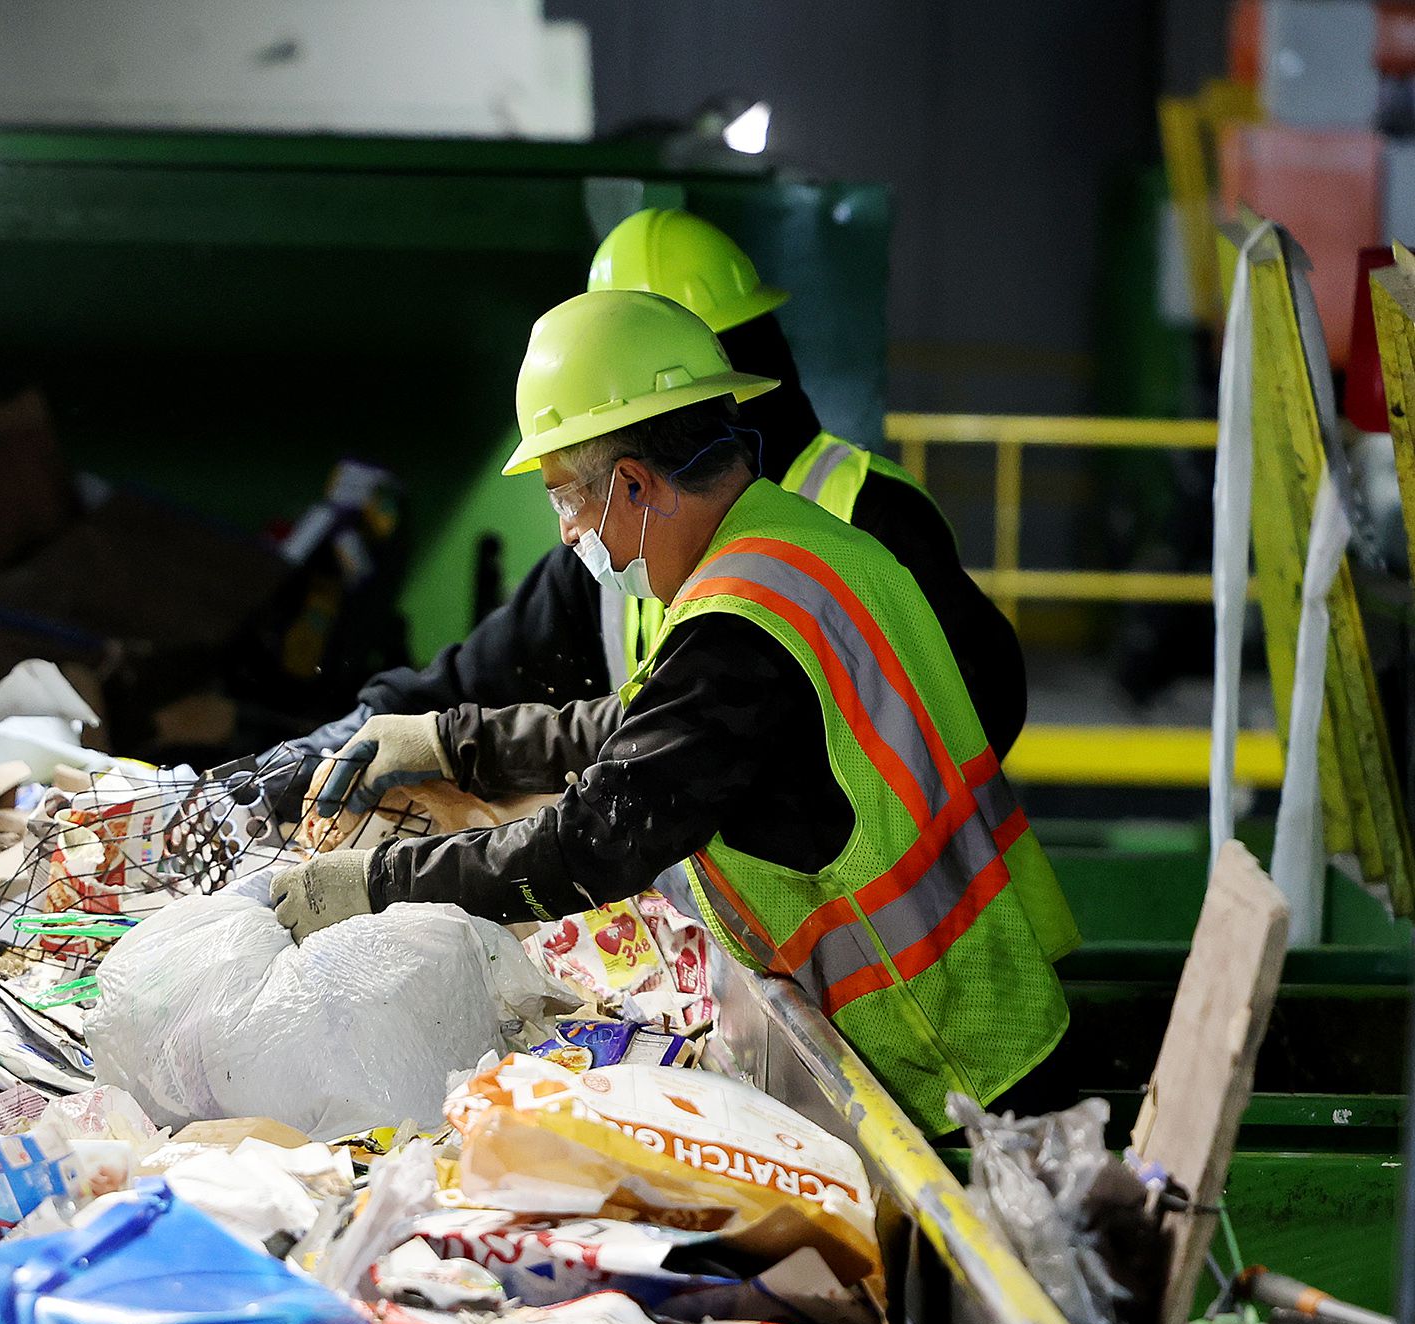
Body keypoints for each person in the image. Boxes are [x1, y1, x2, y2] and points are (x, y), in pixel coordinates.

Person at [267, 291, 1076, 1127]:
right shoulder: (790, 545)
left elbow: (591, 844)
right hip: (990, 1010)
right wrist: (445, 738)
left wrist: (373, 883)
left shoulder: (739, 628)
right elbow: (640, 727)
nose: (569, 533)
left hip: (945, 1067)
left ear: (631, 484)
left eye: (564, 499)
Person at [253, 207, 1021, 819]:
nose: (573, 520)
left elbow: (977, 712)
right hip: (748, 942)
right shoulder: (610, 542)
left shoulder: (867, 515)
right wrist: (358, 736)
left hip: (893, 963)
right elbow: (493, 680)